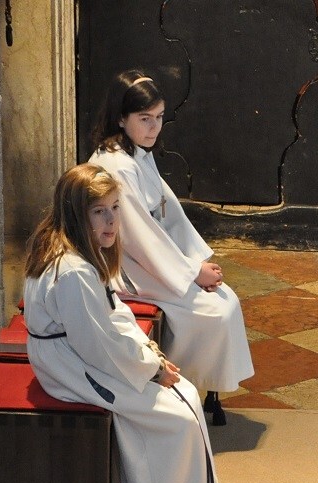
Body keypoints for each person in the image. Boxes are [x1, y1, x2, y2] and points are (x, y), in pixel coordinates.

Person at [23, 164, 229, 483]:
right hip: (70, 366)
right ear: (76, 213)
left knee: (186, 393)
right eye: (99, 211)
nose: (111, 220)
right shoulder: (73, 271)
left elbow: (112, 312)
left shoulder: (80, 253)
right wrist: (150, 368)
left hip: (82, 352)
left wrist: (149, 353)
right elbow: (98, 345)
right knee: (174, 417)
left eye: (115, 208)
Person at [88, 69, 254, 425]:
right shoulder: (117, 165)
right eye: (144, 118)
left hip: (152, 259)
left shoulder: (136, 152)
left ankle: (201, 389)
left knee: (225, 300)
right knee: (216, 312)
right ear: (121, 118)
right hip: (124, 266)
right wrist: (191, 272)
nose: (154, 128)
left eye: (160, 117)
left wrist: (195, 261)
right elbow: (139, 236)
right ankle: (175, 385)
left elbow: (167, 212)